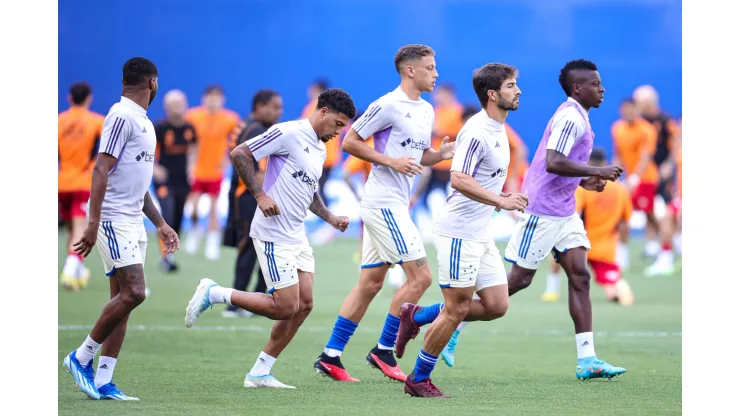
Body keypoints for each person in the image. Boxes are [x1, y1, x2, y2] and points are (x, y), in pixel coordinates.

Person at [184, 89, 356, 389]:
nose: (339, 132)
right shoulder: (288, 132)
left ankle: (260, 372)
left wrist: (330, 217)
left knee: (304, 305)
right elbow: (240, 153)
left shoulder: (319, 146)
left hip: (296, 233)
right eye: (338, 124)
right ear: (324, 112)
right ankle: (215, 293)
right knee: (285, 307)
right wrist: (260, 195)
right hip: (272, 232)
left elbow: (309, 190)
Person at [313, 44, 455, 383]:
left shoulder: (425, 110)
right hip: (383, 203)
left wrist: (440, 155)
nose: (436, 73)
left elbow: (416, 158)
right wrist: (391, 161)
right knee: (421, 279)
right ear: (410, 70)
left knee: (370, 283)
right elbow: (349, 142)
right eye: (430, 67)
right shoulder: (387, 104)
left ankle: (330, 355)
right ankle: (384, 349)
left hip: (393, 203)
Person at [396, 63, 528, 398]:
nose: (519, 91)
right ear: (493, 94)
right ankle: (419, 379)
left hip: (479, 231)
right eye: (512, 86)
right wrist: (501, 200)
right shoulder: (477, 130)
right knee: (456, 309)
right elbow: (458, 178)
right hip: (458, 232)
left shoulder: (500, 128)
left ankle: (418, 314)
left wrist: (503, 199)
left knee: (497, 305)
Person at [63, 57, 180, 401]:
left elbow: (137, 181)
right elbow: (101, 170)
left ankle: (103, 381)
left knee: (122, 301)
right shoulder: (121, 115)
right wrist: (93, 222)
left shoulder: (142, 121)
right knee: (135, 293)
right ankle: (80, 357)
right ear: (153, 83)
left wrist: (160, 223)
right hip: (113, 220)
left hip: (133, 221)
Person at [542, 147, 635, 305]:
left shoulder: (585, 188)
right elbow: (625, 222)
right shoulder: (621, 189)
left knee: (556, 253)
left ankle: (552, 290)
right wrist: (623, 251)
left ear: (589, 163)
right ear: (605, 163)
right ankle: (620, 292)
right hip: (605, 249)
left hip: (580, 242)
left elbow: (572, 212)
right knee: (614, 287)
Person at [222, 89, 284, 318]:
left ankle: (256, 297)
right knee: (250, 248)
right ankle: (235, 302)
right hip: (250, 196)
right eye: (275, 107)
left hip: (246, 195)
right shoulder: (256, 129)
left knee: (258, 248)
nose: (279, 112)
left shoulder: (247, 125)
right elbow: (256, 171)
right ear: (260, 107)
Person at [184, 85, 241, 260]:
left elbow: (237, 142)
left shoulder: (230, 119)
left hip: (216, 170)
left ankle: (212, 242)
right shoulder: (192, 116)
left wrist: (225, 161)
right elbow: (187, 142)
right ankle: (195, 230)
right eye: (210, 97)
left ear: (222, 100)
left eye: (217, 97)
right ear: (204, 98)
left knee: (214, 207)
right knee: (192, 208)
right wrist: (189, 163)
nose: (213, 101)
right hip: (197, 169)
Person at [58, 82, 104, 291]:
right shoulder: (96, 122)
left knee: (69, 227)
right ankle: (70, 268)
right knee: (80, 228)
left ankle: (77, 272)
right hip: (84, 182)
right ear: (89, 98)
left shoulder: (58, 121)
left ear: (69, 98)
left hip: (61, 182)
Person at [633, 85, 679, 275]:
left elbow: (677, 143)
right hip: (648, 175)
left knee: (664, 213)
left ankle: (666, 256)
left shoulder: (665, 120)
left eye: (639, 101)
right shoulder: (639, 122)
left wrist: (669, 164)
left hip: (662, 174)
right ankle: (654, 246)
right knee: (648, 210)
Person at [611, 98, 659, 270]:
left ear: (636, 110)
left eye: (631, 109)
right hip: (629, 179)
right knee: (623, 215)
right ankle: (621, 255)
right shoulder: (618, 128)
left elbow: (646, 155)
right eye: (625, 109)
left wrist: (635, 178)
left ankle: (662, 246)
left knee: (650, 213)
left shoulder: (647, 129)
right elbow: (618, 153)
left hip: (647, 178)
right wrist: (614, 174)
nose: (628, 112)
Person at [154, 89, 198, 272]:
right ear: (166, 107)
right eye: (173, 105)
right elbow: (146, 152)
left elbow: (194, 148)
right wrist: (155, 169)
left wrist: (191, 167)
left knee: (179, 217)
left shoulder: (190, 128)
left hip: (182, 179)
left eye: (180, 104)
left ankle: (170, 252)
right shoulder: (159, 128)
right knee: (167, 213)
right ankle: (166, 257)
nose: (177, 108)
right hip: (164, 179)